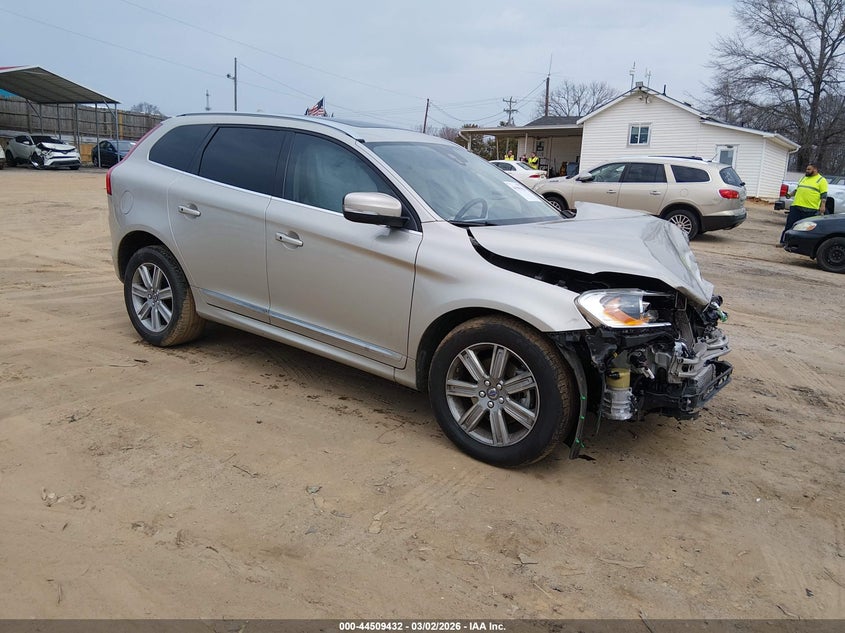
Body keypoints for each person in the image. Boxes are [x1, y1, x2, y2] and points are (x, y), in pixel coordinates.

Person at [779, 164, 828, 245]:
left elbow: (824, 195)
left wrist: (823, 206)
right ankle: (784, 242)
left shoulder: (821, 180)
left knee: (805, 228)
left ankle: (801, 245)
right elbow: (797, 190)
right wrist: (789, 195)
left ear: (815, 170)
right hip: (796, 206)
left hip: (810, 209)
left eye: (809, 169)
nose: (807, 171)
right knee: (790, 225)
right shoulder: (803, 178)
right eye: (806, 169)